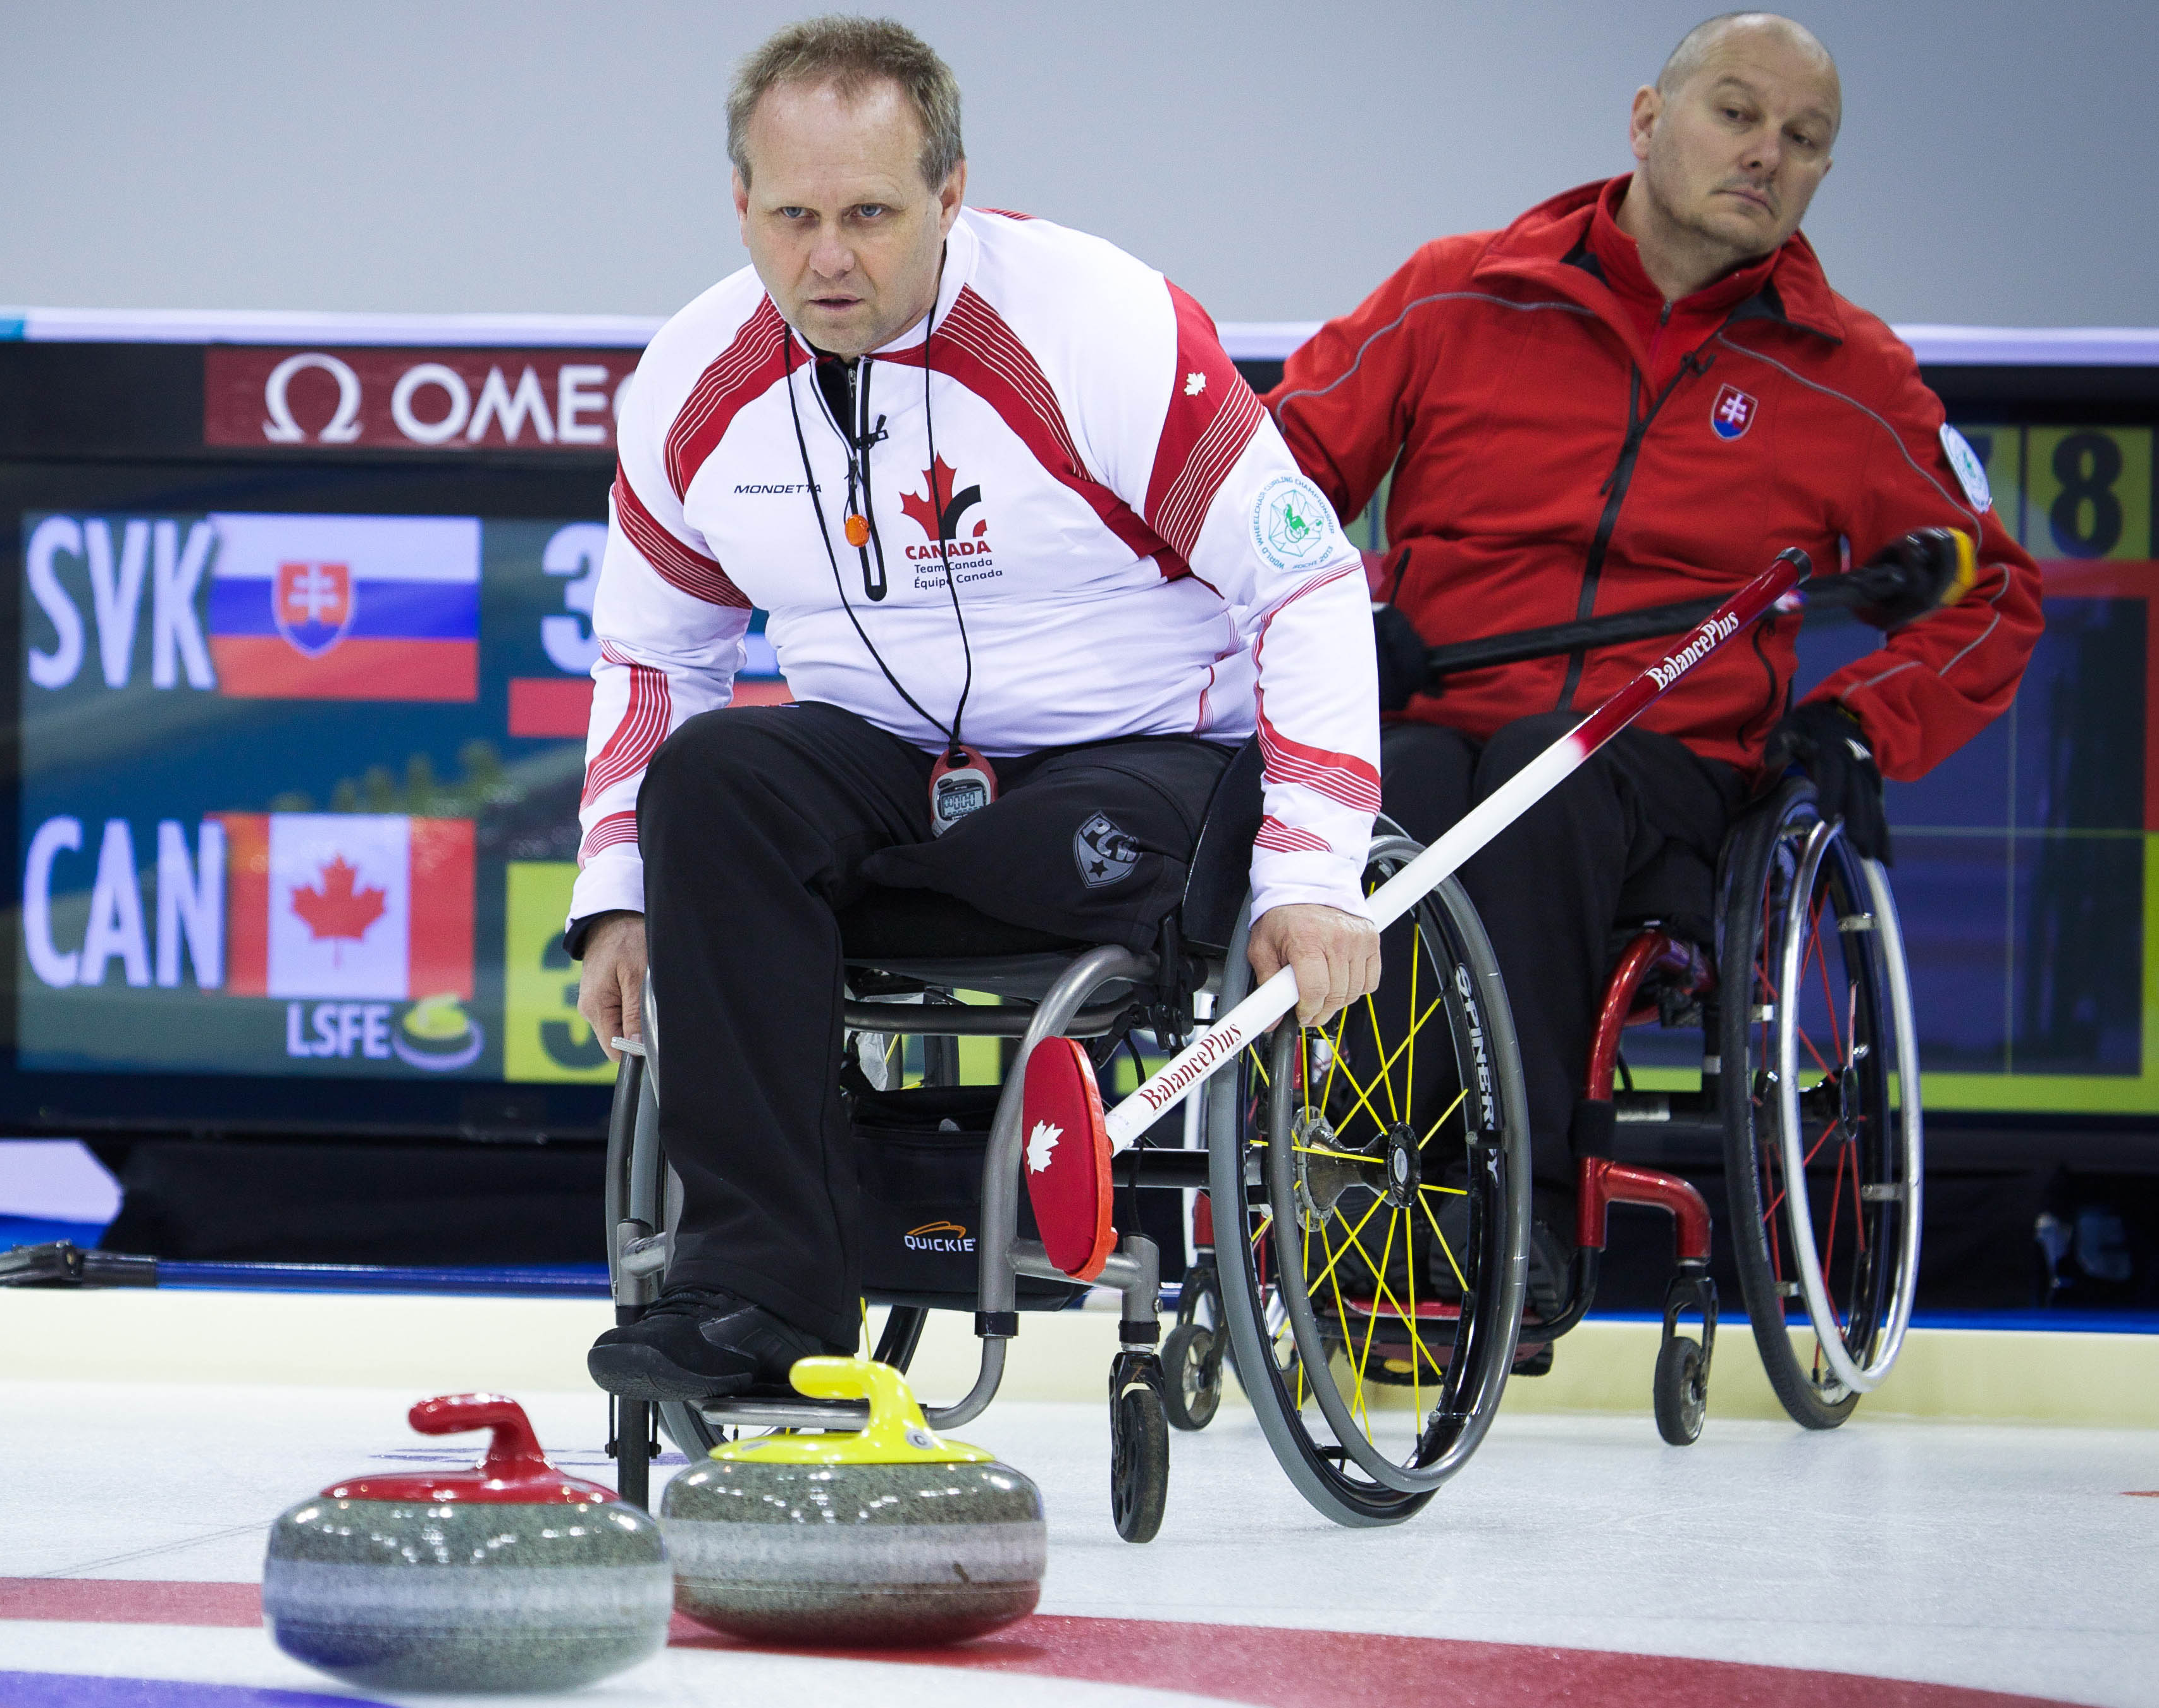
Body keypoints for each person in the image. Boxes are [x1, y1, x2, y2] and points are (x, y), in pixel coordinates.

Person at [572, 16, 1382, 1401]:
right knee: (709, 788)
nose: (830, 259)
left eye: (874, 213)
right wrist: (623, 894)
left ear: (951, 193)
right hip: (890, 774)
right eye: (795, 216)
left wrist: (1313, 874)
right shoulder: (692, 388)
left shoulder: (1100, 328)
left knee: (1046, 852)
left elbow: (1305, 584)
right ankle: (758, 1297)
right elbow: (657, 662)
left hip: (1135, 759)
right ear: (741, 205)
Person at [1259, 11, 2041, 1304]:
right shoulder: (1456, 293)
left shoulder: (1853, 375)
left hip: (1661, 771)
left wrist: (1858, 722)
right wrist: (1334, 614)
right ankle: (1352, 1172)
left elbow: (1993, 596)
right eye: (1737, 113)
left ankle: (1518, 1217)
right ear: (1645, 120)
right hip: (1435, 721)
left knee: (1536, 776)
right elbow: (1264, 494)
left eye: (1804, 140)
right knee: (1394, 782)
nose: (1766, 155)